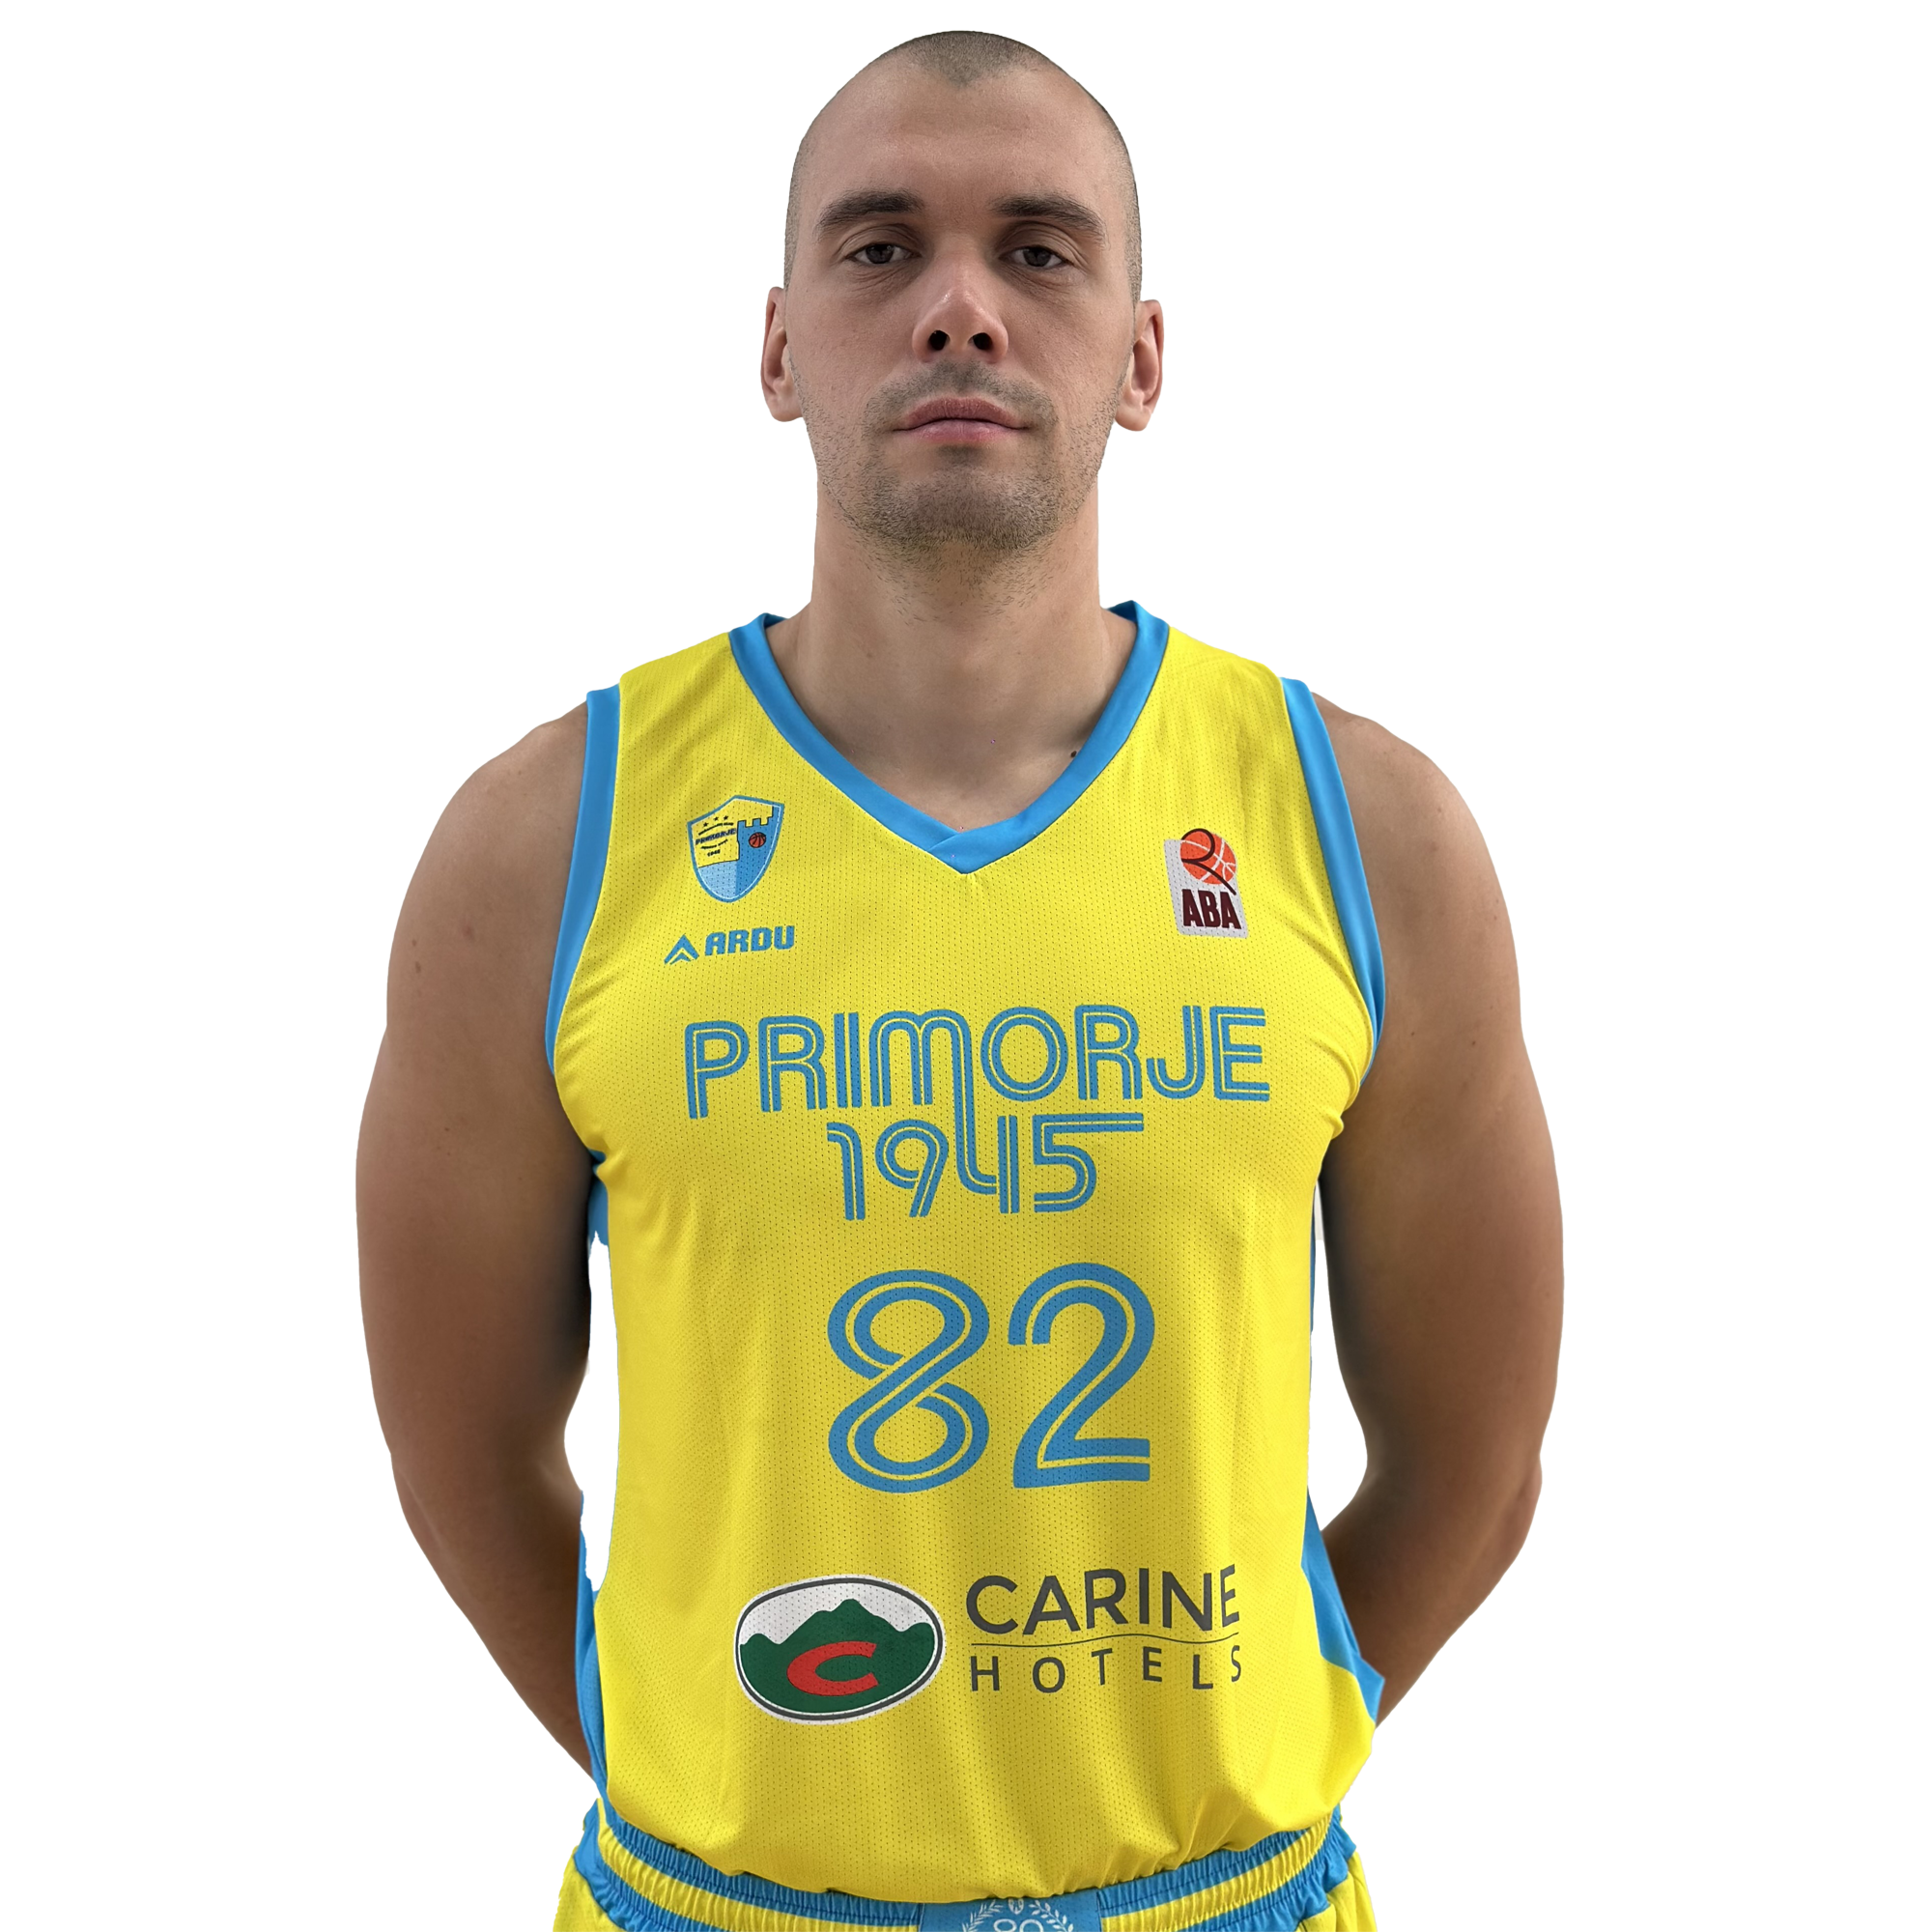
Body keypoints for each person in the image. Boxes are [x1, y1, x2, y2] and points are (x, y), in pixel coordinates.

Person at [358, 30, 1561, 1932]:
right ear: (779, 348)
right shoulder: (544, 845)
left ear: (1139, 357)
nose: (960, 309)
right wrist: (710, 1781)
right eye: (878, 248)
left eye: (1038, 251)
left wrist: (1246, 1764)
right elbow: (460, 1456)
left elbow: (1472, 1468)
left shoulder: (1366, 832)